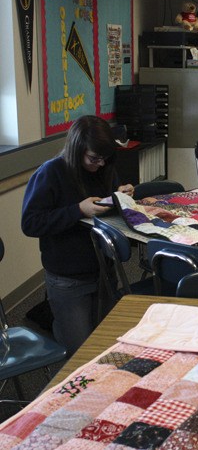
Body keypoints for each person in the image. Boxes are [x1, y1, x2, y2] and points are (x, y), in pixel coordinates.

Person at [21, 115, 134, 355]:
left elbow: (106, 206)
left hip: (103, 270)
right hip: (68, 277)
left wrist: (120, 196)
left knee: (106, 346)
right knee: (80, 352)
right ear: (77, 149)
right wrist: (77, 210)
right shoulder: (51, 172)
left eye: (105, 158)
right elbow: (30, 223)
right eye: (94, 158)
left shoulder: (104, 168)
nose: (101, 164)